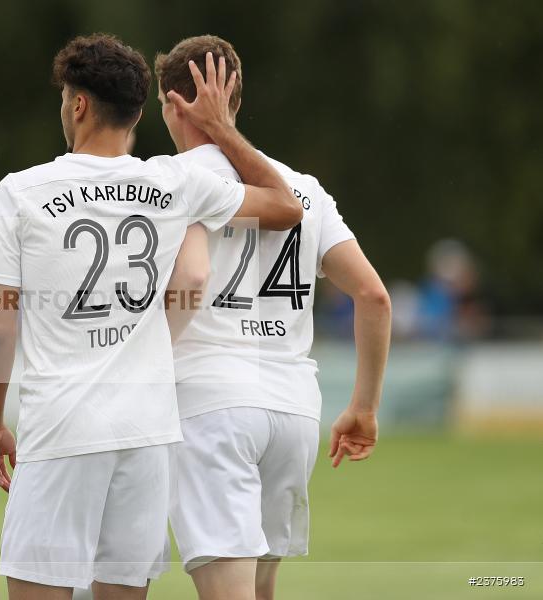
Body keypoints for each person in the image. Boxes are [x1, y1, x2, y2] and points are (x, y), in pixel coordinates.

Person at [0, 33, 301, 600]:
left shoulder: (21, 192)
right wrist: (221, 127)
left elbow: (1, 324)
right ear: (139, 112)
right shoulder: (174, 182)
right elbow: (286, 206)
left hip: (62, 430)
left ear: (78, 104)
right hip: (148, 435)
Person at [155, 36, 392, 600]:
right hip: (293, 408)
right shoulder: (305, 191)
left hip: (210, 403)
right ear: (237, 95)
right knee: (261, 589)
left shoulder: (170, 176)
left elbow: (189, 280)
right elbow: (374, 297)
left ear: (172, 104)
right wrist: (363, 407)